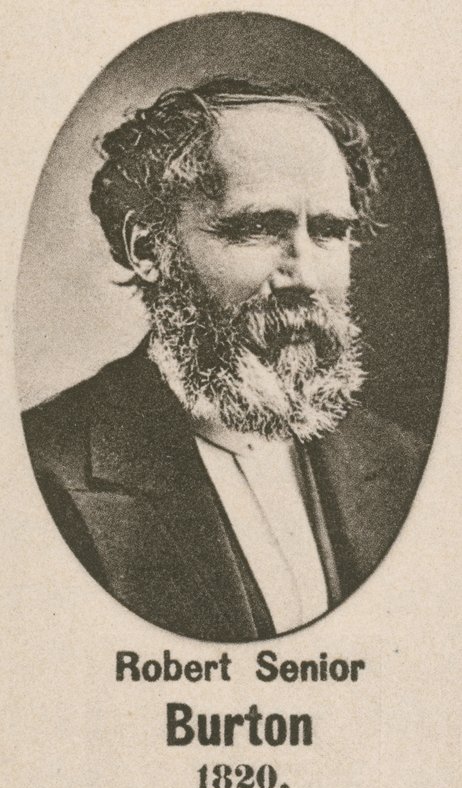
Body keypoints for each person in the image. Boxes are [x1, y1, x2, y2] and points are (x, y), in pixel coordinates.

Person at [22, 78, 426, 641]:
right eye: (257, 228)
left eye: (330, 231)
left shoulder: (403, 464)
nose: (306, 276)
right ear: (148, 248)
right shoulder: (40, 476)